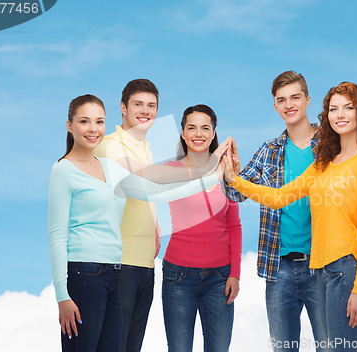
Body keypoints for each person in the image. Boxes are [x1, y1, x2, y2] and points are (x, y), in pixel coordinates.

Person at [48, 95, 227, 352]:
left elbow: (156, 191)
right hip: (82, 273)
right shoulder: (64, 170)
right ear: (69, 125)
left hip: (114, 272)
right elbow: (56, 235)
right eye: (84, 121)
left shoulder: (111, 168)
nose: (93, 128)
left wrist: (212, 175)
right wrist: (62, 295)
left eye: (99, 122)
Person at [224, 82, 357, 352]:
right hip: (319, 272)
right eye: (334, 109)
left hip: (346, 270)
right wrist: (233, 179)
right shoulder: (323, 163)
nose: (340, 114)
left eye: (348, 107)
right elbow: (278, 198)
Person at [224, 71, 327, 351]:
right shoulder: (269, 151)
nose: (288, 104)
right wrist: (232, 170)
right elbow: (234, 193)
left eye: (295, 97)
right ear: (275, 106)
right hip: (279, 267)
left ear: (307, 100)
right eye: (281, 100)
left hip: (323, 265)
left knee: (330, 346)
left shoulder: (330, 148)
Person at [162, 105, 242, 352]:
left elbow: (234, 226)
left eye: (205, 128)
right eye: (191, 128)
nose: (199, 133)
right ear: (183, 134)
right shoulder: (171, 171)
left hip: (219, 279)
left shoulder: (226, 173)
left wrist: (235, 274)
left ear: (213, 132)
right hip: (178, 277)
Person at [95, 79, 161, 352]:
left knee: (132, 346)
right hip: (118, 264)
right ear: (123, 108)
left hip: (145, 264)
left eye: (151, 106)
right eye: (138, 104)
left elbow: (148, 195)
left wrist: (156, 227)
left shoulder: (148, 148)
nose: (145, 111)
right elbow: (137, 183)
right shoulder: (109, 145)